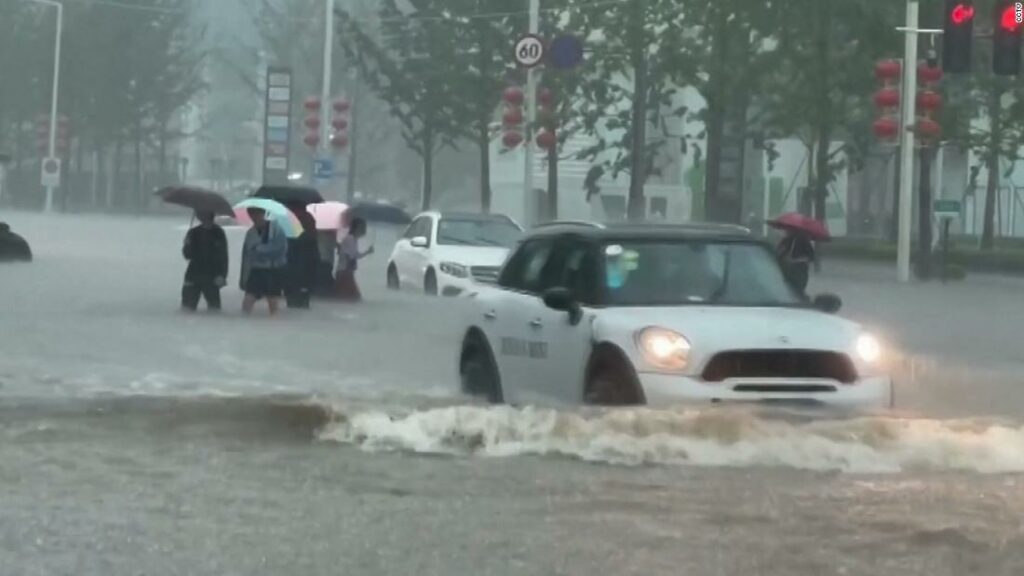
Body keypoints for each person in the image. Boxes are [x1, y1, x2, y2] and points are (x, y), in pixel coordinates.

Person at [240, 208, 289, 315]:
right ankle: (243, 322)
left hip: (273, 269)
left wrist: (260, 249)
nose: (254, 217)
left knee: (273, 300)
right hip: (256, 270)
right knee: (248, 300)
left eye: (257, 214)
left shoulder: (276, 229)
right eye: (252, 214)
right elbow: (247, 256)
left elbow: (280, 249)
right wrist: (243, 279)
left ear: (263, 214)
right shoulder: (250, 233)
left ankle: (273, 325)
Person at [181, 211, 228, 312]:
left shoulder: (218, 233)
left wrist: (222, 275)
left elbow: (223, 256)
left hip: (212, 274)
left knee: (214, 309)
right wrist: (186, 244)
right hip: (193, 273)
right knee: (186, 308)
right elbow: (187, 255)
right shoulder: (193, 232)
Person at [285, 210, 319, 309]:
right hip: (305, 267)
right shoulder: (308, 218)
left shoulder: (289, 219)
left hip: (292, 267)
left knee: (292, 293)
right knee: (304, 290)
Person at [335, 217, 374, 302]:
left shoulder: (352, 239)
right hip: (345, 272)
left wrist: (367, 252)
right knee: (352, 298)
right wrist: (367, 252)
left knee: (349, 298)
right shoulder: (350, 239)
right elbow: (353, 256)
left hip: (346, 272)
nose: (365, 230)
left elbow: (353, 255)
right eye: (363, 228)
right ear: (357, 228)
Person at [776, 230, 818, 295]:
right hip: (790, 270)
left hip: (799, 269)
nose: (786, 231)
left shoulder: (803, 240)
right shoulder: (785, 241)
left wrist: (797, 260)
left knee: (797, 289)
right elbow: (779, 254)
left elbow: (810, 256)